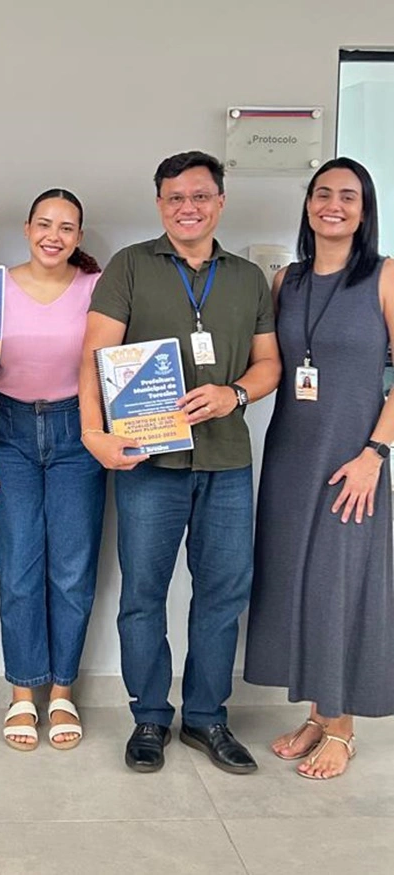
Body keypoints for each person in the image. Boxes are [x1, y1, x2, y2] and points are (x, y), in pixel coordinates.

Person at [79, 151, 281, 775]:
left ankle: (206, 717)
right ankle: (149, 716)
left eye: (199, 196)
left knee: (222, 593)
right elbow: (93, 357)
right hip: (149, 462)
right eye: (174, 198)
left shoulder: (248, 277)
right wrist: (94, 433)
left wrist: (235, 393)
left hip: (225, 462)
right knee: (143, 594)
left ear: (220, 202)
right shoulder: (130, 266)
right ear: (159, 204)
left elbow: (269, 364)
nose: (187, 208)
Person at [244, 157, 394, 779]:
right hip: (290, 454)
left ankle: (342, 726)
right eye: (322, 193)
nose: (333, 204)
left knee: (341, 586)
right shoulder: (287, 281)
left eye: (348, 196)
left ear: (365, 211)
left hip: (354, 459)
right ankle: (315, 713)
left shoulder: (385, 277)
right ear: (308, 204)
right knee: (297, 581)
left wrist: (375, 455)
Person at [0, 188, 106, 751]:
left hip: (79, 433)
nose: (54, 235)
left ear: (79, 237)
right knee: (19, 569)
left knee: (72, 569)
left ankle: (63, 691)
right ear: (26, 228)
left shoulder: (97, 290)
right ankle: (24, 694)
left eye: (67, 227)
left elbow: (112, 365)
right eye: (44, 224)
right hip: (7, 434)